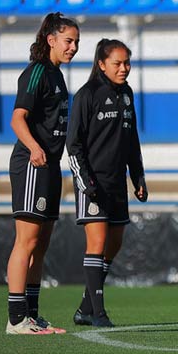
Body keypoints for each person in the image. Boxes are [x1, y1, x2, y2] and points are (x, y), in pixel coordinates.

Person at [5, 12, 80, 334]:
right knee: (27, 240)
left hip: (50, 164)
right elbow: (18, 118)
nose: (73, 47)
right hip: (32, 164)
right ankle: (16, 318)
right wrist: (35, 148)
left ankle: (32, 315)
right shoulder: (37, 72)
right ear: (51, 40)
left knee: (42, 242)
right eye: (68, 41)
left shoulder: (57, 75)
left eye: (76, 42)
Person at [67, 39, 148, 328]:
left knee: (113, 245)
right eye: (117, 63)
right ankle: (98, 313)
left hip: (116, 183)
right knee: (98, 243)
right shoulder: (86, 95)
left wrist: (137, 176)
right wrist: (85, 182)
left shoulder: (127, 94)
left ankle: (85, 307)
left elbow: (131, 140)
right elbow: (73, 145)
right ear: (102, 64)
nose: (124, 68)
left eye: (127, 62)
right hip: (92, 182)